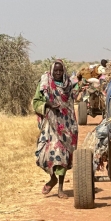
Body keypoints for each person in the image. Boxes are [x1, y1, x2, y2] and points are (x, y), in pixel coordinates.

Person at [33, 60, 78, 198]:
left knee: (62, 156)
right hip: (50, 125)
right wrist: (48, 104)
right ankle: (52, 178)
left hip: (66, 126)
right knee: (45, 156)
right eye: (55, 71)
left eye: (60, 71)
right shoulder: (45, 85)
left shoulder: (68, 84)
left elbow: (72, 99)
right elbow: (36, 102)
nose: (58, 73)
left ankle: (60, 188)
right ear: (52, 71)